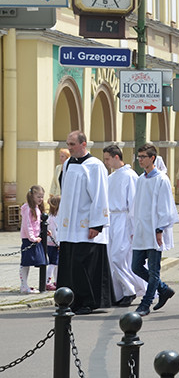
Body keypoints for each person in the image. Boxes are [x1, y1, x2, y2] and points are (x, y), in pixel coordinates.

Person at [56, 131, 111, 315]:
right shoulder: (68, 164)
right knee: (69, 264)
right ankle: (69, 300)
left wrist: (97, 224)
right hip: (68, 224)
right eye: (68, 144)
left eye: (72, 144)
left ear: (84, 144)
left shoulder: (95, 166)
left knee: (83, 265)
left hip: (85, 224)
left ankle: (88, 301)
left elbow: (100, 195)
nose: (69, 148)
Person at [131, 144, 179, 317]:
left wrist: (160, 229)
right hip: (141, 229)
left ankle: (146, 303)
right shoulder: (140, 179)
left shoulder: (161, 179)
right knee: (135, 266)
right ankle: (163, 289)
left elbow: (165, 206)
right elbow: (137, 205)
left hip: (154, 230)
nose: (140, 160)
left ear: (152, 158)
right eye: (139, 157)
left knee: (153, 269)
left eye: (143, 156)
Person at [103, 145, 146, 308]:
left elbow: (135, 203)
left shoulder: (130, 176)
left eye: (107, 158)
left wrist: (135, 227)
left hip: (124, 218)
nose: (105, 162)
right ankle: (119, 292)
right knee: (111, 258)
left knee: (118, 257)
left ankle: (130, 290)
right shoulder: (111, 177)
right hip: (111, 219)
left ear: (116, 157)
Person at [19, 185, 48, 294]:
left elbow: (36, 223)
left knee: (38, 261)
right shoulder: (28, 209)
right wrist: (32, 238)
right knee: (25, 263)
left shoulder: (36, 208)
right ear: (32, 196)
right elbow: (28, 224)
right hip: (29, 239)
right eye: (38, 197)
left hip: (36, 239)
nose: (41, 199)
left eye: (42, 197)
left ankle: (28, 285)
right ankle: (23, 285)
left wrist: (44, 231)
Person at [45, 195, 61, 291]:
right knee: (52, 263)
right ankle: (47, 281)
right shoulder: (54, 218)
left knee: (56, 264)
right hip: (54, 244)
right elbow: (55, 233)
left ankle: (57, 280)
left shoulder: (53, 217)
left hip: (53, 243)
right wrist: (58, 243)